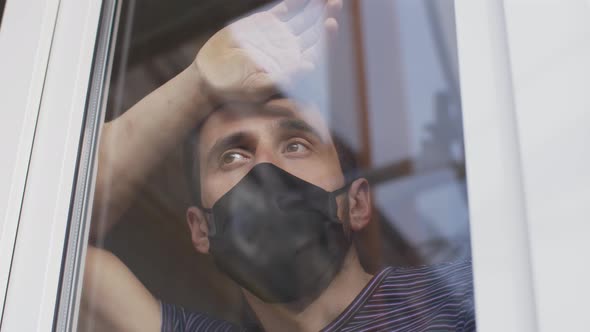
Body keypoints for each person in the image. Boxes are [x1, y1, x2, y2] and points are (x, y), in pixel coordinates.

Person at [82, 0, 476, 331]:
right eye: (233, 156)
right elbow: (49, 225)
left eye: (296, 145)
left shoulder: (467, 297)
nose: (264, 169)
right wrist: (198, 84)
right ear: (200, 229)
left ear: (356, 203)